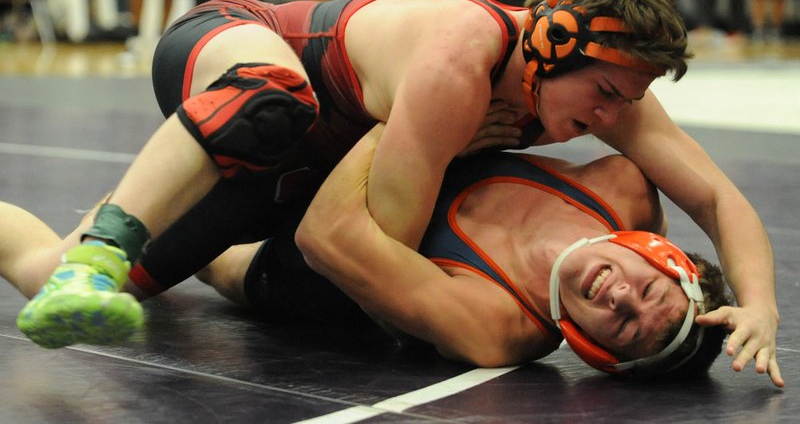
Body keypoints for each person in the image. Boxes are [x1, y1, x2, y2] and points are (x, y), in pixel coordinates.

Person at [15, 0, 781, 386]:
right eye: (605, 93)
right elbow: (382, 231)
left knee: (40, 271)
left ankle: (90, 252)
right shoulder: (459, 63)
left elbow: (714, 195)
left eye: (628, 99)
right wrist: (434, 133)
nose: (611, 119)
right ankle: (105, 245)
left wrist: (761, 306)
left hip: (300, 178)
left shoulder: (596, 91)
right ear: (548, 39)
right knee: (275, 101)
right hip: (240, 51)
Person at [0, 133, 731, 379]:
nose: (620, 298)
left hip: (308, 264)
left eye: (626, 327)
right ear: (657, 252)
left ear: (594, 350)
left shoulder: (495, 328)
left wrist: (419, 106)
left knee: (71, 264)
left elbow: (327, 234)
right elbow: (718, 197)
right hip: (352, 157)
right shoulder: (621, 185)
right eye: (648, 290)